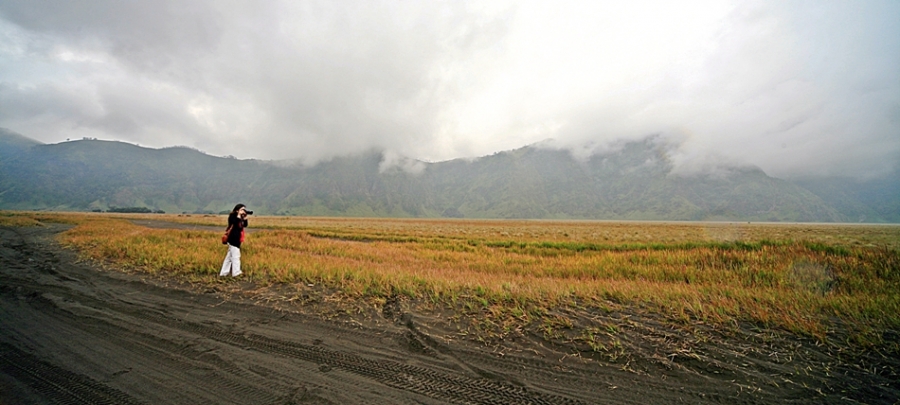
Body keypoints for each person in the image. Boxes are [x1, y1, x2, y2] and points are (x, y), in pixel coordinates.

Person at [220, 203, 249, 277]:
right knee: (236, 256)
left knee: (229, 258)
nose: (243, 211)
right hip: (233, 239)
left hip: (237, 239)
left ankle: (223, 273)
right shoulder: (232, 216)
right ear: (237, 210)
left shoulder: (240, 217)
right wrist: (239, 216)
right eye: (242, 209)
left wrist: (244, 218)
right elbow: (236, 223)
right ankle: (236, 273)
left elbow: (244, 225)